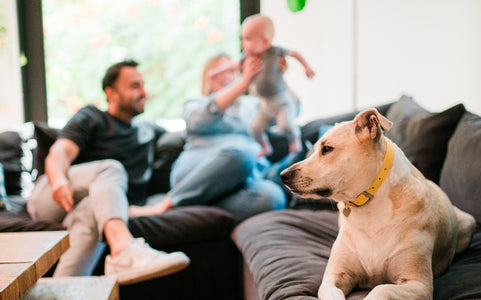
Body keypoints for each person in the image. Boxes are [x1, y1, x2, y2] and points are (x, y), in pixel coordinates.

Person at [27, 60, 190, 284]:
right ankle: (123, 250)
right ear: (110, 93)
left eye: (143, 85)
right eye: (134, 86)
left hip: (91, 207)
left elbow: (197, 135)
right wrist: (58, 181)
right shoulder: (92, 116)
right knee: (111, 168)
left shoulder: (147, 131)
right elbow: (60, 153)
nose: (143, 92)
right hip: (53, 196)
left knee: (90, 212)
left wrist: (151, 207)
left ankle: (61, 292)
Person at [128, 54, 287, 222]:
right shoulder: (197, 103)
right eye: (221, 71)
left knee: (273, 197)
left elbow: (288, 112)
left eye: (231, 71)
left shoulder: (251, 105)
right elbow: (198, 121)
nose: (228, 76)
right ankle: (168, 203)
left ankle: (191, 206)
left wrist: (276, 77)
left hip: (242, 182)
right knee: (242, 155)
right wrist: (243, 84)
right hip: (196, 173)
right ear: (208, 77)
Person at [209, 14, 315, 157]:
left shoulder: (274, 52)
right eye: (242, 39)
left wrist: (306, 68)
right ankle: (265, 147)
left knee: (286, 126)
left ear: (265, 42)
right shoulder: (246, 59)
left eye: (247, 39)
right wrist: (217, 71)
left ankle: (294, 140)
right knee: (255, 129)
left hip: (281, 100)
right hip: (265, 105)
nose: (242, 44)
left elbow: (294, 54)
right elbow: (234, 65)